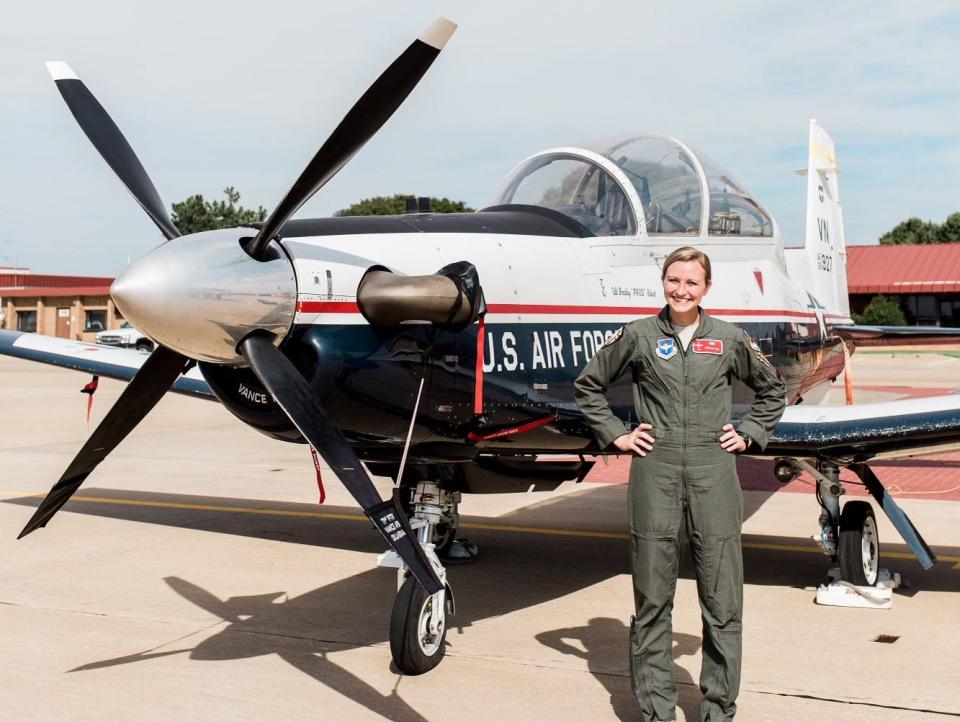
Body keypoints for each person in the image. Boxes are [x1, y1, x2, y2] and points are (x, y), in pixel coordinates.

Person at [574, 246, 786, 721]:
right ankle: (656, 711)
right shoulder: (638, 335)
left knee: (723, 599)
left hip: (714, 469)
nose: (681, 290)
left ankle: (717, 710)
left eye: (691, 282)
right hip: (657, 469)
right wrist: (617, 435)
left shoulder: (729, 339)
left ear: (706, 288)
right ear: (663, 282)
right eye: (674, 280)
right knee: (652, 597)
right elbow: (589, 385)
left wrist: (750, 432)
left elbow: (773, 390)